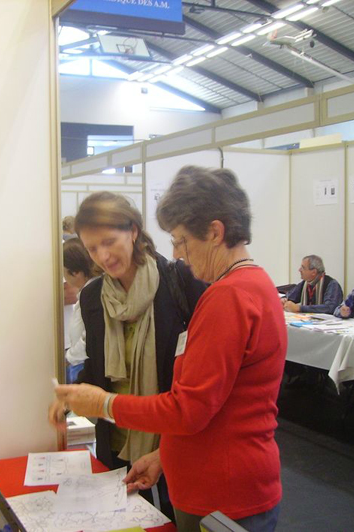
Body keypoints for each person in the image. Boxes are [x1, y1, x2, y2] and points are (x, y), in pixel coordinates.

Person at [53, 166, 287, 532]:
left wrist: (104, 404)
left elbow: (187, 408)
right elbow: (214, 401)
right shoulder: (251, 284)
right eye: (92, 248)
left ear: (215, 232)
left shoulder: (226, 296)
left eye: (180, 240)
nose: (177, 252)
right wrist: (167, 454)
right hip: (215, 478)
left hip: (220, 488)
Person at [50, 191, 206, 518]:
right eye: (93, 248)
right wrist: (70, 397)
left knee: (180, 519)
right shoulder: (93, 297)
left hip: (174, 440)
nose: (103, 256)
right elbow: (96, 368)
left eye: (110, 242)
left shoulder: (180, 282)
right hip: (117, 440)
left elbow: (202, 372)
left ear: (133, 231)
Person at [63, 237, 101, 383]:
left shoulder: (92, 294)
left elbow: (90, 338)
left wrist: (69, 358)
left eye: (64, 272)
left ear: (75, 272)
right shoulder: (88, 293)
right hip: (80, 361)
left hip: (83, 364)